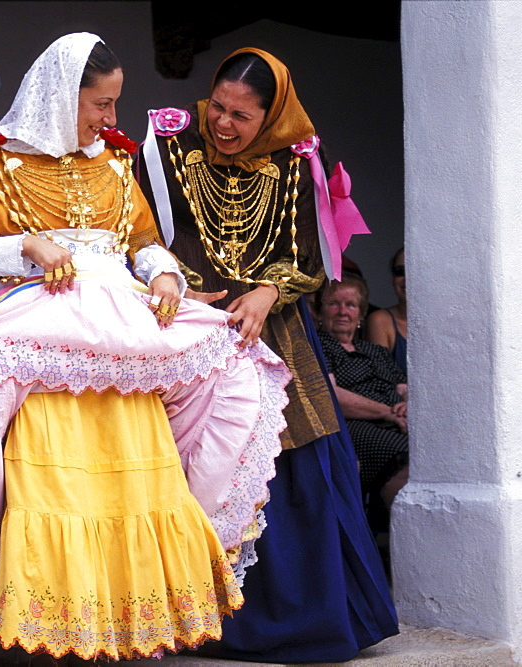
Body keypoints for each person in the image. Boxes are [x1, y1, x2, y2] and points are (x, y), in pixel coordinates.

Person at [0, 33, 292, 663]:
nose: (110, 119)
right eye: (99, 104)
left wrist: (162, 274)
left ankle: (128, 626)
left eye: (113, 105)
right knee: (55, 485)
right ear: (57, 99)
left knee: (208, 393)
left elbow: (145, 244)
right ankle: (53, 626)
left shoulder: (115, 165)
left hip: (123, 343)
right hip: (47, 339)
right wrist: (24, 247)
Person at [138, 48, 399, 662]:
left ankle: (305, 621)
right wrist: (170, 280)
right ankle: (200, 619)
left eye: (242, 116)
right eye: (219, 108)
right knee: (195, 466)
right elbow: (140, 232)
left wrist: (266, 291)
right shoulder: (169, 144)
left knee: (292, 467)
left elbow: (313, 258)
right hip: (191, 330)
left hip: (273, 331)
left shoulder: (298, 159)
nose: (224, 125)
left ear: (272, 115)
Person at [320, 272, 409, 509]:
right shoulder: (319, 346)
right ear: (320, 311)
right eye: (333, 304)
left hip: (398, 420)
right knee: (407, 454)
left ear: (360, 313)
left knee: (435, 449)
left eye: (351, 305)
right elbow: (332, 396)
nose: (342, 312)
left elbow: (403, 387)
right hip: (355, 426)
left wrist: (408, 405)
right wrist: (388, 412)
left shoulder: (374, 351)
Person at [366, 247, 408, 373]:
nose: (406, 278)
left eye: (414, 270)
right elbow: (382, 377)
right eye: (400, 271)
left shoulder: (441, 321)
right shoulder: (380, 320)